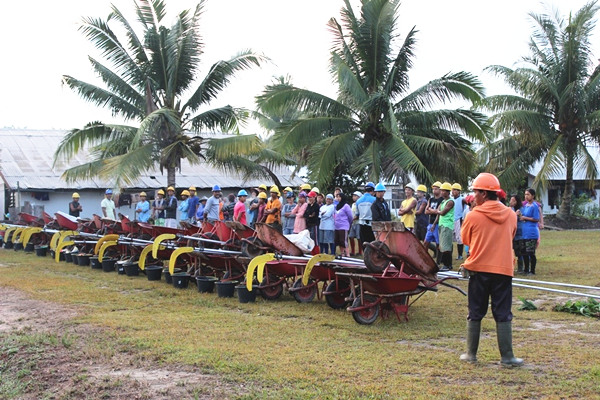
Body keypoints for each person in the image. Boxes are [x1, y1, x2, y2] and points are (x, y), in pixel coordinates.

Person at [459, 172, 523, 368]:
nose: (473, 197)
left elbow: (465, 240)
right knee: (503, 312)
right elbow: (510, 236)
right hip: (503, 270)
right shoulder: (511, 214)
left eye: (476, 192)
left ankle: (471, 354)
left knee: (476, 310)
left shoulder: (473, 215)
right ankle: (507, 357)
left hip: (478, 269)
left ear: (484, 194)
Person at [435, 182, 455, 271]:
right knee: (442, 246)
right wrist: (436, 211)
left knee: (446, 246)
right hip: (442, 224)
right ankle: (445, 264)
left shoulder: (450, 202)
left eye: (444, 191)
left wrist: (435, 211)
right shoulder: (443, 201)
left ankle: (447, 265)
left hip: (447, 226)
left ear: (448, 192)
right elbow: (438, 210)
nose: (442, 192)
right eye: (441, 191)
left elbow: (442, 212)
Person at [520, 188, 540, 275]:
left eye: (528, 194)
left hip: (531, 232)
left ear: (532, 196)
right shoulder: (526, 206)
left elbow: (536, 219)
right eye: (525, 194)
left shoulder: (534, 206)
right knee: (524, 252)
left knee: (530, 252)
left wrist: (525, 218)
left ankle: (532, 270)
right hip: (525, 232)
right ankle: (526, 269)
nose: (526, 196)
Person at [424, 182, 443, 261]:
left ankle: (439, 260)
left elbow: (439, 211)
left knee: (438, 244)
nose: (434, 190)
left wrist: (431, 210)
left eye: (436, 189)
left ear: (440, 190)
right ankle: (425, 258)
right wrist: (434, 211)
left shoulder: (442, 200)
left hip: (438, 223)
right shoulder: (430, 199)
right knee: (425, 242)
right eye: (433, 189)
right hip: (430, 223)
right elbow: (426, 211)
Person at [356, 182, 376, 246]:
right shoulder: (375, 200)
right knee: (373, 243)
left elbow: (357, 214)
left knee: (364, 243)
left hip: (362, 224)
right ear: (373, 190)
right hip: (372, 224)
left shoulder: (358, 201)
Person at [334, 192, 353, 257]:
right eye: (337, 197)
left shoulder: (346, 206)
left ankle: (347, 254)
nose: (338, 198)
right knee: (338, 241)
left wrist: (349, 223)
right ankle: (342, 253)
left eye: (339, 197)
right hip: (337, 226)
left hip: (343, 226)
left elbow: (350, 216)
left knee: (343, 241)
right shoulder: (337, 206)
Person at [510, 194, 525, 274]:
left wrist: (517, 215)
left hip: (519, 233)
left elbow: (522, 219)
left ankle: (520, 268)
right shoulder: (511, 210)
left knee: (520, 252)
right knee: (513, 250)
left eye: (513, 200)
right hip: (512, 233)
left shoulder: (521, 210)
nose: (511, 202)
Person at [452, 183, 466, 260]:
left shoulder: (462, 199)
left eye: (455, 190)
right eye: (452, 190)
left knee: (459, 238)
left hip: (459, 219)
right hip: (452, 220)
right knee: (451, 238)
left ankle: (460, 255)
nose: (453, 191)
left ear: (459, 191)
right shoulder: (451, 200)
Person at [348, 191, 362, 256]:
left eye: (355, 196)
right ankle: (352, 251)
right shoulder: (353, 204)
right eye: (353, 196)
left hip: (358, 222)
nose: (353, 197)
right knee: (351, 236)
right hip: (353, 223)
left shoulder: (360, 204)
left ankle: (360, 251)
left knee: (359, 237)